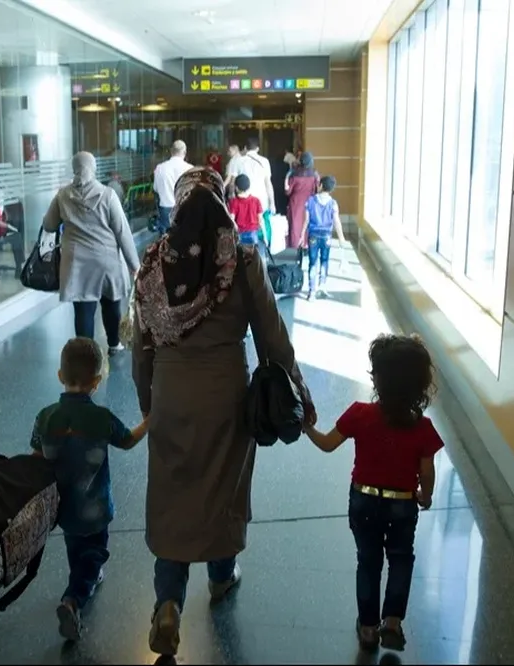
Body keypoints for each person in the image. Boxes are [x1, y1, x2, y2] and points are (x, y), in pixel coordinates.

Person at [132, 167, 315, 658]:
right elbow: (271, 334)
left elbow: (141, 345)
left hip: (171, 392)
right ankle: (220, 575)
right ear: (219, 204)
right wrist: (298, 385)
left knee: (172, 493)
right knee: (224, 485)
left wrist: (148, 402)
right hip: (225, 395)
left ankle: (168, 602)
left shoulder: (153, 264)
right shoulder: (243, 260)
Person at [303, 334, 442, 653]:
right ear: (420, 385)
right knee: (401, 559)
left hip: (364, 500)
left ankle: (367, 629)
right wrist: (426, 495)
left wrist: (306, 427)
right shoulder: (423, 428)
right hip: (403, 504)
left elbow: (326, 444)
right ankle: (391, 622)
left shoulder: (359, 414)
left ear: (377, 379)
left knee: (368, 562)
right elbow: (427, 472)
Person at [30, 337, 149, 641]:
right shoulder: (101, 418)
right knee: (95, 552)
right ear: (97, 381)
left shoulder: (45, 417)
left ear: (60, 376)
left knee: (75, 548)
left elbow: (36, 458)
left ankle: (80, 581)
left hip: (64, 507)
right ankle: (74, 599)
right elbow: (128, 440)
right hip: (95, 508)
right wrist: (149, 421)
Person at [43, 152, 141, 356]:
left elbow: (49, 225)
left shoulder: (62, 195)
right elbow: (122, 232)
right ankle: (114, 344)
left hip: (77, 262)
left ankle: (86, 354)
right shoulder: (107, 194)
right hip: (106, 261)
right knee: (111, 303)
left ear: (74, 168)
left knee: (83, 310)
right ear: (94, 168)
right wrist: (135, 265)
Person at [298, 175, 346, 300]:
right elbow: (336, 221)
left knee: (312, 262)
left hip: (313, 235)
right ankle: (322, 286)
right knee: (325, 260)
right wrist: (341, 238)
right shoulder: (333, 203)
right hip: (327, 236)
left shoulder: (310, 201)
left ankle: (311, 291)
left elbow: (306, 220)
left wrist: (302, 235)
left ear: (321, 186)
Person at [232, 137, 275, 245]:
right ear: (258, 149)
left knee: (242, 227)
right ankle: (261, 251)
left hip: (242, 199)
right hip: (261, 200)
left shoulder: (238, 161)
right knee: (261, 227)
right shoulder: (265, 161)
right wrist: (272, 203)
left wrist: (232, 197)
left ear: (245, 148)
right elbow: (268, 183)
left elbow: (233, 183)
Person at [152, 140, 193, 235]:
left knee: (166, 240)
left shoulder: (160, 168)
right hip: (185, 208)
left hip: (166, 210)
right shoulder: (190, 169)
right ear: (185, 152)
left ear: (171, 151)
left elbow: (156, 189)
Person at [285, 151, 321, 250]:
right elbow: (317, 190)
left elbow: (288, 191)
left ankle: (295, 246)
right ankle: (306, 244)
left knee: (295, 225)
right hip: (309, 202)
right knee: (308, 223)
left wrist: (286, 179)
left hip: (295, 203)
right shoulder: (315, 174)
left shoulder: (294, 173)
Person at [227, 174, 265, 256]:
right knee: (254, 257)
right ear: (249, 186)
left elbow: (231, 219)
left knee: (240, 257)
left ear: (236, 188)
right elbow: (261, 220)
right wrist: (265, 237)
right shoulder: (256, 201)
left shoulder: (234, 202)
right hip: (253, 234)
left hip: (240, 234)